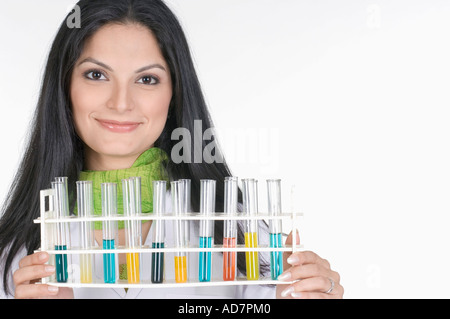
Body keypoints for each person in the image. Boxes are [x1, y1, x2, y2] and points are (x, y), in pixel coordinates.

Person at [0, 0, 343, 299]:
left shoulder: (238, 233)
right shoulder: (15, 258)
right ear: (64, 86)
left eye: (147, 79)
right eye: (96, 75)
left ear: (174, 93)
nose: (121, 103)